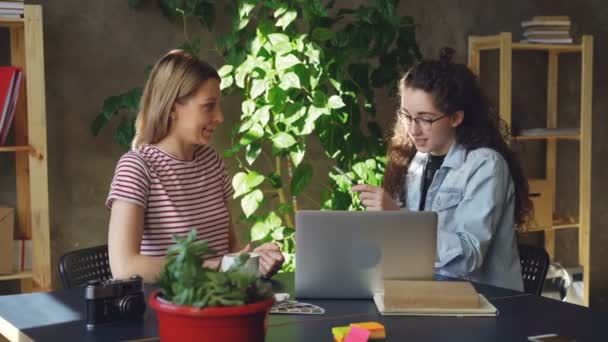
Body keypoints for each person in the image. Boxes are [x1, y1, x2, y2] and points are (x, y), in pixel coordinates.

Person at [352, 47, 531, 291]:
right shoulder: (417, 161)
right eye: (406, 115)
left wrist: (398, 216)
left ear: (455, 118)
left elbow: (468, 258)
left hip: (483, 306)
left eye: (425, 119)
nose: (413, 129)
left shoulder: (485, 165)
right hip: (429, 297)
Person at [106, 50, 284, 283]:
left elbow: (228, 254)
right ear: (172, 108)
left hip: (218, 300)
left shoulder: (212, 161)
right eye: (209, 106)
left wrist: (253, 262)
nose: (220, 117)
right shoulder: (137, 167)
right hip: (167, 308)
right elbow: (125, 267)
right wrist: (214, 267)